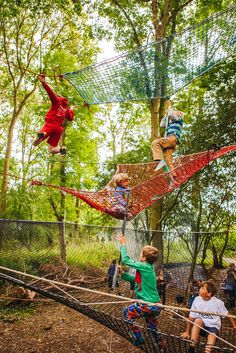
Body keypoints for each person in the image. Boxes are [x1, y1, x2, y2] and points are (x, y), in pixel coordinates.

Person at [117, 232, 162, 347]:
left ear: (144, 258)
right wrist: (123, 274)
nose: (139, 254)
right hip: (154, 305)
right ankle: (160, 345)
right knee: (151, 325)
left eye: (141, 253)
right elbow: (136, 280)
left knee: (126, 313)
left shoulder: (144, 266)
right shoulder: (148, 268)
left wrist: (123, 244)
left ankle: (138, 338)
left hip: (148, 305)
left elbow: (126, 260)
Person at [181, 280, 236, 353]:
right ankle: (192, 346)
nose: (200, 289)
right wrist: (187, 332)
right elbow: (191, 317)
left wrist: (234, 326)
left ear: (209, 293)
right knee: (198, 320)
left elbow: (227, 314)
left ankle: (207, 351)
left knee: (212, 335)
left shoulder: (218, 303)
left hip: (212, 327)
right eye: (200, 287)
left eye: (203, 288)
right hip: (200, 327)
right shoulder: (197, 300)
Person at [33, 74, 74, 155]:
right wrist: (71, 109)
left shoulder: (56, 102)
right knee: (52, 149)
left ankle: (40, 136)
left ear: (59, 98)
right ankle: (61, 150)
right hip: (59, 128)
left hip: (50, 125)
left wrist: (44, 83)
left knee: (34, 143)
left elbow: (50, 93)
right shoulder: (66, 109)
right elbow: (70, 118)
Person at [151, 101, 185, 176]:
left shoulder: (179, 120)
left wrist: (170, 109)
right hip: (170, 141)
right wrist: (166, 116)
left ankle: (160, 161)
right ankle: (173, 174)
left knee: (155, 143)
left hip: (172, 138)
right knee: (168, 159)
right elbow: (162, 124)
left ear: (180, 115)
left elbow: (172, 115)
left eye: (177, 113)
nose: (175, 113)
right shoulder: (170, 123)